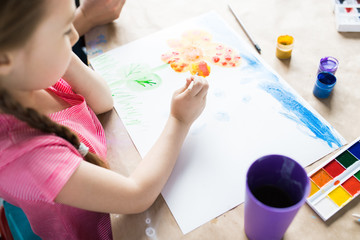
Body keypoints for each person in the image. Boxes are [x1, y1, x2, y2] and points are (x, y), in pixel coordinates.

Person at [0, 0, 209, 239]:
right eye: (65, 30)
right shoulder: (28, 157)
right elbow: (136, 195)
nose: (76, 35)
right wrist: (179, 120)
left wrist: (61, 54)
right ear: (7, 60)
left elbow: (103, 101)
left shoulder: (27, 78)